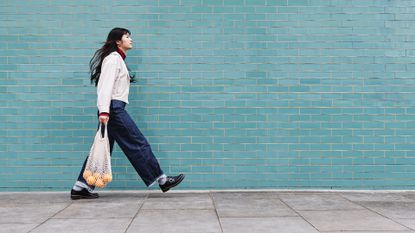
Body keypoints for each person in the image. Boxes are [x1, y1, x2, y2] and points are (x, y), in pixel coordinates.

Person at [70, 27, 185, 200]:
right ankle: (162, 179)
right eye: (127, 37)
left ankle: (81, 187)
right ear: (118, 41)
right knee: (137, 142)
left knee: (102, 149)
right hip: (113, 110)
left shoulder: (118, 60)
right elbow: (105, 87)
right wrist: (104, 112)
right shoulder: (113, 59)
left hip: (113, 109)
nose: (131, 39)